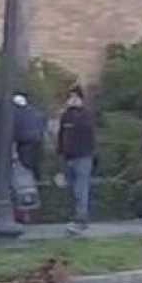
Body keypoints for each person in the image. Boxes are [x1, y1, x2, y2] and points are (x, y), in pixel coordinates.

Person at [57, 86, 97, 233]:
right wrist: (61, 154)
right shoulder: (66, 116)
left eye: (75, 97)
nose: (72, 100)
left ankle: (81, 219)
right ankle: (75, 217)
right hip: (69, 157)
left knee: (81, 189)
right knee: (72, 189)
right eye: (70, 97)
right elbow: (61, 136)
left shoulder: (86, 115)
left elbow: (88, 133)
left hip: (83, 156)